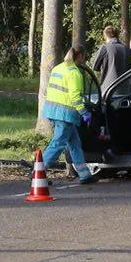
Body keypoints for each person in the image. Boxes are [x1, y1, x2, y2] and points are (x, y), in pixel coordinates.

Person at [41, 47, 96, 185]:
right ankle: (38, 172)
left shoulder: (58, 68)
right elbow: (75, 97)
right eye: (84, 56)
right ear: (80, 56)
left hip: (53, 110)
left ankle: (84, 175)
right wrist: (84, 113)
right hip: (65, 114)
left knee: (75, 144)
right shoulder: (74, 73)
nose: (84, 59)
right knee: (58, 143)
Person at [91, 24, 131, 90]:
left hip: (109, 88)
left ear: (105, 36)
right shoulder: (128, 49)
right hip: (125, 88)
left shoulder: (105, 47)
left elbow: (95, 66)